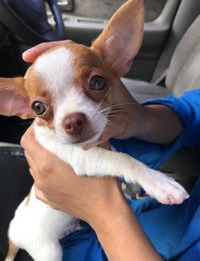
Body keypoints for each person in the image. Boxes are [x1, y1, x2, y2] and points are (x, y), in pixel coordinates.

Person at [0, 41, 200, 261]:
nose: (72, 120)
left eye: (95, 83)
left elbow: (94, 163)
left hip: (117, 234)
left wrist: (105, 215)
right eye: (40, 108)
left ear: (117, 60)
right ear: (20, 104)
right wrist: (143, 119)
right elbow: (192, 110)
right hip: (49, 230)